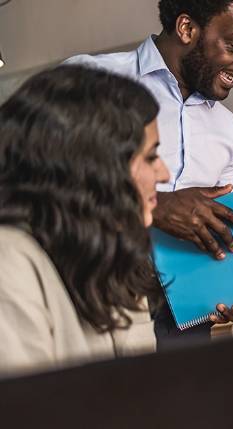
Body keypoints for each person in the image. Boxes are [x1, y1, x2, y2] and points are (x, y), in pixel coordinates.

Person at [65, 0, 233, 344]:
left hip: (187, 324)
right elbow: (32, 184)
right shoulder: (91, 79)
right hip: (96, 309)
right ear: (187, 29)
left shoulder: (228, 129)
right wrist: (155, 207)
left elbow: (220, 232)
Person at [0, 65, 170, 377]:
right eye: (150, 157)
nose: (164, 174)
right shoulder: (9, 262)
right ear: (95, 172)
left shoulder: (115, 254)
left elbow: (142, 396)